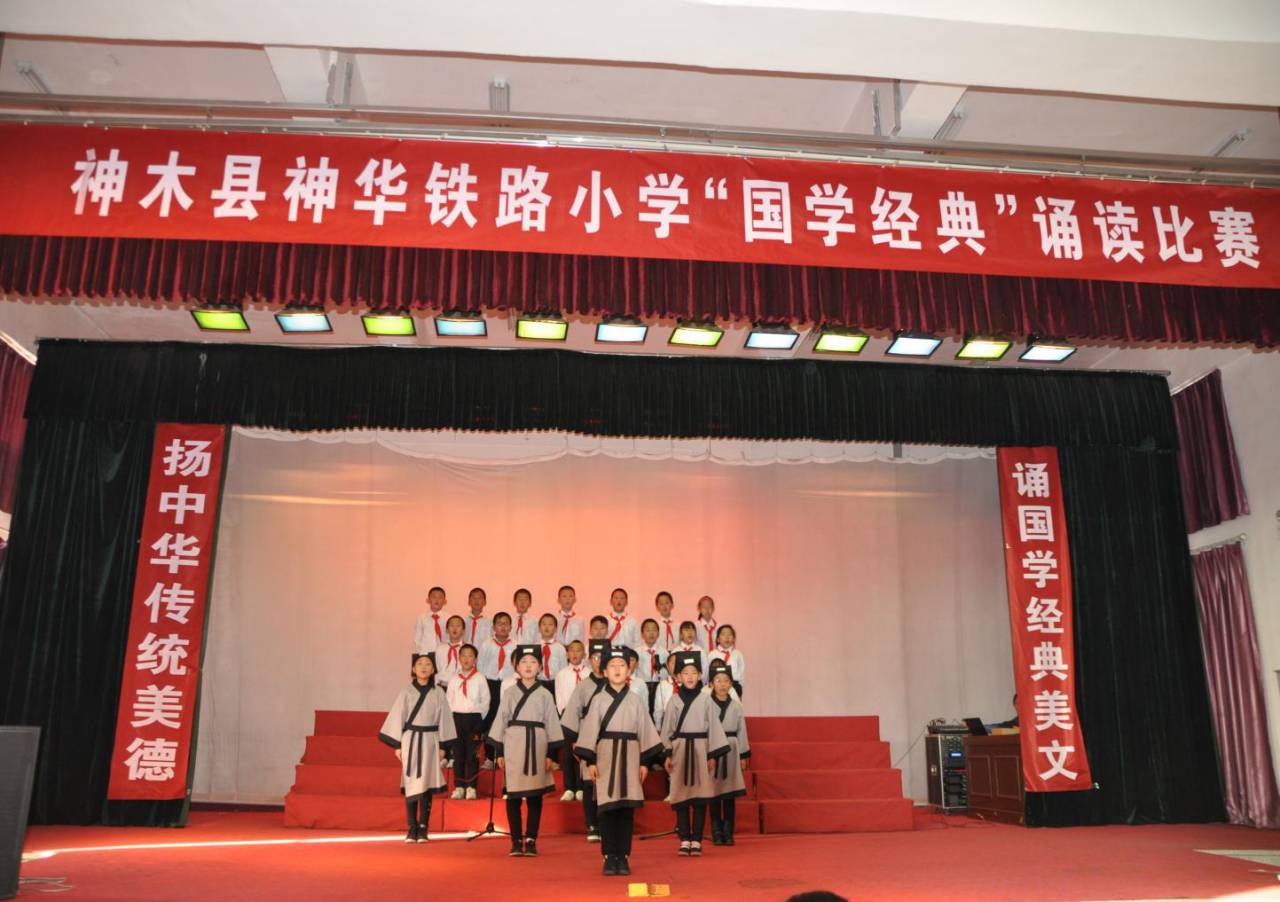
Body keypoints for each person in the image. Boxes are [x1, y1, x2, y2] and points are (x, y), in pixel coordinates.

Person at [574, 646, 665, 877]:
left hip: (631, 756)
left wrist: (644, 762)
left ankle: (623, 856)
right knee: (607, 809)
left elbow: (646, 731)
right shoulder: (597, 700)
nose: (617, 669)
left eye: (622, 665)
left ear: (629, 670)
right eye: (612, 666)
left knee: (626, 809)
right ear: (604, 671)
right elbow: (589, 731)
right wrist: (591, 761)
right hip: (605, 756)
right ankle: (608, 855)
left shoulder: (635, 700)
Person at [493, 645, 565, 857]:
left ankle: (531, 838)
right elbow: (500, 721)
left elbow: (552, 723)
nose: (528, 666)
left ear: (540, 667)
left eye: (533, 662)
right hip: (513, 745)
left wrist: (551, 754)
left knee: (535, 795)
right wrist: (499, 752)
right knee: (513, 795)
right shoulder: (509, 693)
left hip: (538, 746)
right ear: (516, 667)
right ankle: (516, 840)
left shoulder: (545, 694)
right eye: (523, 662)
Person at [378, 653, 457, 842]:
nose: (423, 667)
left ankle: (423, 827)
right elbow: (398, 716)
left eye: (428, 664)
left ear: (433, 669)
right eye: (419, 664)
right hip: (410, 739)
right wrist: (398, 745)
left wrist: (443, 746)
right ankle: (411, 826)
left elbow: (445, 719)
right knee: (411, 781)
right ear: (413, 669)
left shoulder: (439, 693)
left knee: (427, 783)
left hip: (431, 739)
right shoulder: (406, 691)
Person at [661, 650, 730, 856]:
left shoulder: (706, 700)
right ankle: (684, 838)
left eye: (694, 673)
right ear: (678, 677)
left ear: (700, 675)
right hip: (680, 749)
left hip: (701, 748)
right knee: (680, 794)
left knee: (701, 795)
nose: (690, 677)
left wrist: (711, 754)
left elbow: (714, 728)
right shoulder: (673, 701)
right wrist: (668, 753)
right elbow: (667, 729)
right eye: (685, 673)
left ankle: (697, 839)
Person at [561, 638, 611, 842]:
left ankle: (607, 824)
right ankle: (592, 825)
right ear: (589, 660)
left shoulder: (615, 685)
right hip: (588, 738)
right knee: (590, 783)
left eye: (603, 657)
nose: (599, 661)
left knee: (608, 782)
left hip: (610, 740)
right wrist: (575, 741)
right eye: (595, 657)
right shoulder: (583, 686)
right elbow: (572, 714)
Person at [706, 659, 750, 846]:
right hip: (714, 750)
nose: (722, 684)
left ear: (731, 684)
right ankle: (716, 831)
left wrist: (743, 755)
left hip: (732, 749)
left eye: (726, 680)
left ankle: (728, 831)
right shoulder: (707, 704)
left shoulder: (736, 706)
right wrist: (707, 754)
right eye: (718, 680)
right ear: (711, 684)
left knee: (730, 793)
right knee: (714, 793)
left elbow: (742, 731)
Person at [446, 644, 489, 800]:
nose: (466, 659)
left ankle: (471, 787)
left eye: (470, 655)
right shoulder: (453, 679)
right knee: (458, 755)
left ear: (475, 659)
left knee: (472, 755)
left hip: (474, 719)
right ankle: (459, 787)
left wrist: (479, 721)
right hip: (456, 719)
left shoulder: (480, 678)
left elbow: (486, 701)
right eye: (463, 655)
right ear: (459, 658)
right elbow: (448, 701)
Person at [554, 640, 589, 801]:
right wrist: (565, 715)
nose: (575, 653)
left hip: (585, 718)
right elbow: (559, 697)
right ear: (567, 654)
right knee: (568, 753)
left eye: (578, 650)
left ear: (584, 654)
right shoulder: (561, 674)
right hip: (567, 716)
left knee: (583, 752)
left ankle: (581, 787)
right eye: (572, 650)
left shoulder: (589, 673)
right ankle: (569, 787)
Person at [637, 619, 666, 719]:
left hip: (659, 686)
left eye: (654, 630)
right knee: (643, 714)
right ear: (642, 634)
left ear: (658, 633)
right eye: (648, 630)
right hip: (642, 686)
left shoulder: (664, 652)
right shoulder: (637, 652)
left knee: (658, 714)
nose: (651, 633)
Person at [709, 624, 746, 698]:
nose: (727, 637)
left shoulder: (738, 654)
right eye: (723, 634)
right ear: (718, 639)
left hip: (734, 685)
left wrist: (739, 689)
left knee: (734, 705)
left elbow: (742, 674)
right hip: (716, 687)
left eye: (730, 635)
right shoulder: (712, 654)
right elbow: (708, 674)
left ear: (734, 639)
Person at [413, 586, 449, 660]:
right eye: (434, 597)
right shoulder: (421, 617)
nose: (437, 600)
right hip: (425, 654)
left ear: (445, 601)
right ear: (428, 600)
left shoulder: (449, 618)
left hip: (444, 654)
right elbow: (417, 638)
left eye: (440, 597)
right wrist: (421, 653)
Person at [534, 613, 567, 692]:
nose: (547, 627)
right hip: (538, 682)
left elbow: (564, 669)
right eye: (544, 624)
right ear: (539, 628)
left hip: (555, 683)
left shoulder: (560, 648)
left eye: (550, 624)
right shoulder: (535, 647)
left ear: (555, 629)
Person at [435, 615, 467, 689]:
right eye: (452, 625)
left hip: (460, 687)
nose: (455, 628)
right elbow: (438, 667)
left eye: (458, 626)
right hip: (442, 686)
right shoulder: (440, 648)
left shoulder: (467, 649)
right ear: (447, 630)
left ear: (463, 630)